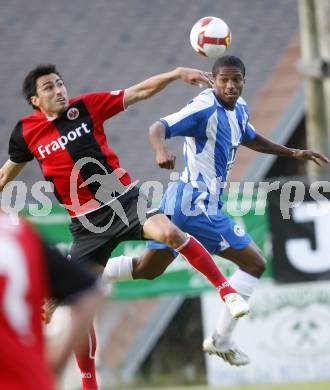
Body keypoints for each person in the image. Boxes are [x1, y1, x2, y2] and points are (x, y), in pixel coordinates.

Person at [0, 64, 249, 390]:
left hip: (125, 201)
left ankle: (227, 291)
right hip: (86, 225)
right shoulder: (25, 132)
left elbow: (138, 91)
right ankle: (90, 383)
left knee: (171, 233)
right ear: (35, 99)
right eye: (49, 87)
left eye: (60, 83)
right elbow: (6, 174)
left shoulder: (86, 107)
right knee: (78, 304)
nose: (59, 90)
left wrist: (174, 74)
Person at [104, 55, 330, 366]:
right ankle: (221, 340)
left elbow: (252, 139)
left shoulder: (240, 109)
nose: (230, 85)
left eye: (236, 79)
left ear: (243, 81)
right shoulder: (204, 107)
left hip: (182, 201)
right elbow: (158, 126)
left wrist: (293, 151)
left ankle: (78, 273)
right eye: (223, 79)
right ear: (214, 80)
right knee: (254, 262)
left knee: (147, 269)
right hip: (196, 204)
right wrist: (160, 148)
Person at [0, 212, 103, 390]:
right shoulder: (22, 232)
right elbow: (91, 292)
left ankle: (89, 382)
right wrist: (55, 365)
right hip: (32, 379)